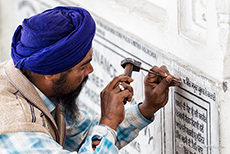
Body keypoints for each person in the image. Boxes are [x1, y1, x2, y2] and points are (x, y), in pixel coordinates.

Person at [0, 6, 180, 154]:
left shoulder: (33, 84)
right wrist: (108, 119)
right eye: (82, 66)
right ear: (51, 73)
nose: (90, 70)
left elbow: (83, 135)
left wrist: (146, 108)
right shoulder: (16, 127)